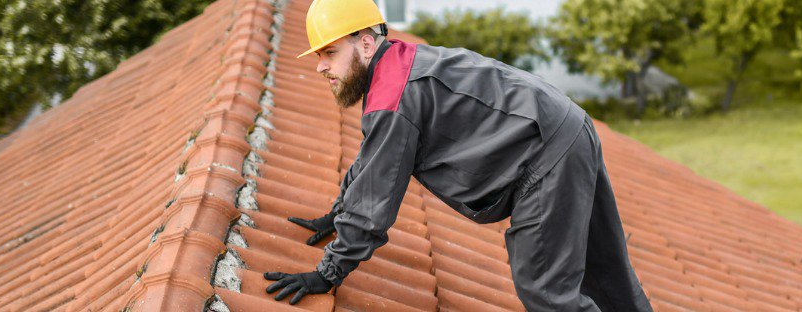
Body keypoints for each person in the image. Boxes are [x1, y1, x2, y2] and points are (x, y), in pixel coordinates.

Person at [261, 0, 652, 310]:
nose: (320, 67)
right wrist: (338, 210)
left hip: (547, 150)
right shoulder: (396, 66)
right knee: (604, 271)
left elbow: (374, 207)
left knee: (546, 288)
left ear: (365, 42)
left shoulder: (392, 97)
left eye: (329, 52)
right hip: (565, 124)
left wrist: (326, 275)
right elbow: (373, 156)